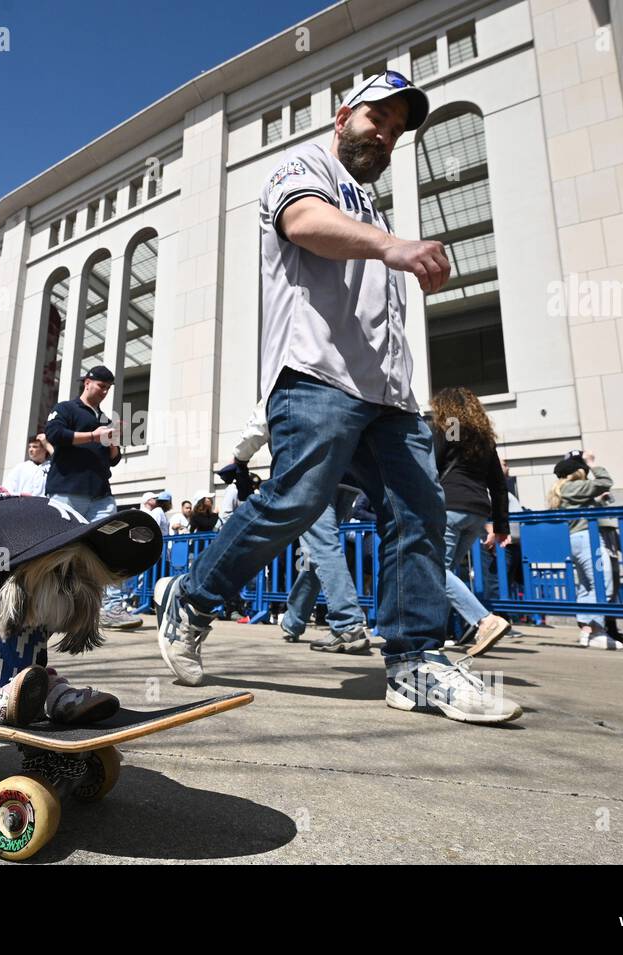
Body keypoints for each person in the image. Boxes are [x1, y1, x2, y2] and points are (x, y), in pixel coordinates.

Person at [152, 71, 519, 723]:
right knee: (296, 499)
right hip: (316, 377)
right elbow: (302, 220)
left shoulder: (374, 211)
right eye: (378, 117)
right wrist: (393, 247)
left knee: (418, 510)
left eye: (398, 129)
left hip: (389, 400)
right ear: (344, 113)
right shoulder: (306, 166)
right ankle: (194, 597)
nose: (386, 133)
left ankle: (414, 662)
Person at [223, 398, 371, 651]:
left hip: (311, 471)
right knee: (317, 552)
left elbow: (259, 423)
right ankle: (294, 620)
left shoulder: (291, 374)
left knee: (323, 546)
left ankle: (348, 623)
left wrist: (239, 456)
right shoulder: (340, 378)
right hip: (347, 475)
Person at [44, 364, 141, 630]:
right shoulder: (66, 408)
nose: (105, 391)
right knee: (60, 550)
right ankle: (54, 606)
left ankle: (111, 608)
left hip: (100, 494)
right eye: (101, 386)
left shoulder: (106, 420)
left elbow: (114, 460)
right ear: (87, 382)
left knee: (113, 546)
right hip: (66, 491)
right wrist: (93, 436)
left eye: (108, 388)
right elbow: (54, 434)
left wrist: (113, 441)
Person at [430, 387, 512, 657]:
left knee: (436, 571)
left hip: (450, 506)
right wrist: (501, 527)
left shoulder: (451, 425)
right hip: (477, 512)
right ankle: (433, 637)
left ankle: (485, 620)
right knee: (447, 573)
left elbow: (434, 465)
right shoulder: (484, 437)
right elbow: (499, 485)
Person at [546, 452, 619, 648]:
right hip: (587, 538)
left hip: (574, 539)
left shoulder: (561, 490)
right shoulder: (574, 487)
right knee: (603, 582)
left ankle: (588, 630)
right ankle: (595, 631)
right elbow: (605, 481)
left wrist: (599, 501)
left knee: (587, 585)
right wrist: (592, 463)